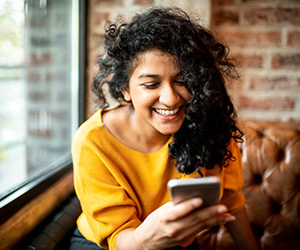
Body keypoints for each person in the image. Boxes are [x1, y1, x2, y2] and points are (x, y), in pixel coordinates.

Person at [70, 7, 258, 250]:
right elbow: (118, 236)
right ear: (126, 89)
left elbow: (231, 200)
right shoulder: (93, 141)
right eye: (151, 84)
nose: (170, 99)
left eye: (183, 81)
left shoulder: (211, 125)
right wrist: (146, 240)